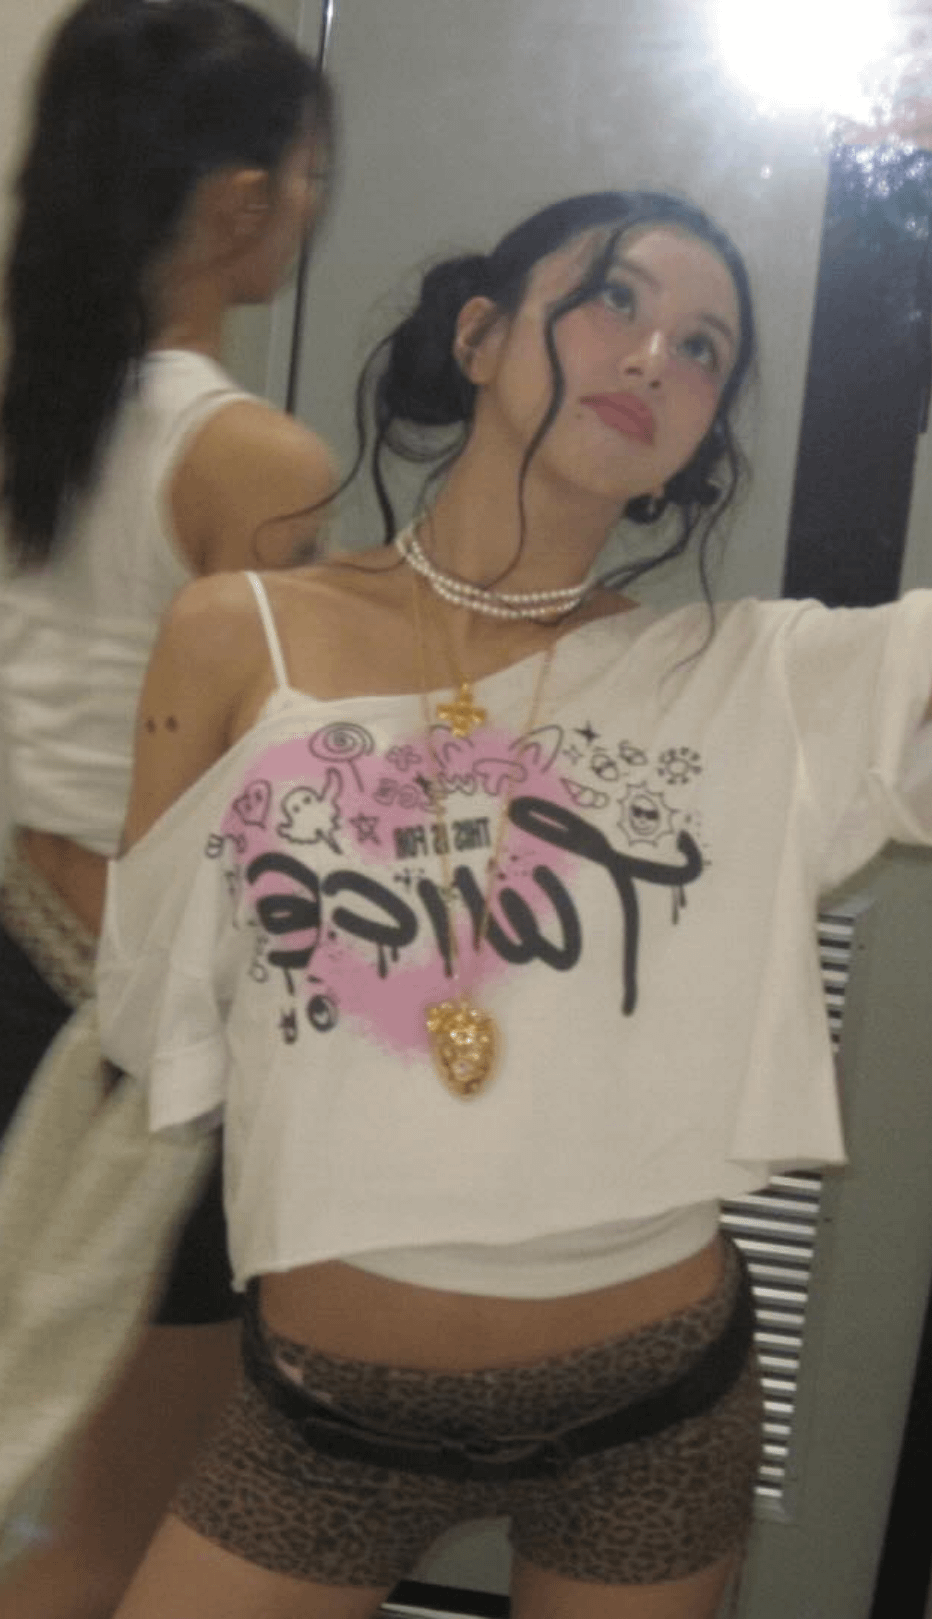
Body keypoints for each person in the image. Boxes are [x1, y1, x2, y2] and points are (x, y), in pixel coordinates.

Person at [99, 5, 932, 1616]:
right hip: (321, 1413)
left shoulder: (741, 674)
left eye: (704, 350)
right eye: (614, 298)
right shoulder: (239, 635)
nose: (654, 356)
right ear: (483, 337)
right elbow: (157, 1009)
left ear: (693, 444)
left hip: (651, 1402)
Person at [0, 1, 336, 1613]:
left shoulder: (33, 411)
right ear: (240, 201)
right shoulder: (255, 460)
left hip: (18, 954)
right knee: (112, 1545)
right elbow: (278, 788)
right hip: (134, 1032)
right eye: (311, 173)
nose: (312, 205)